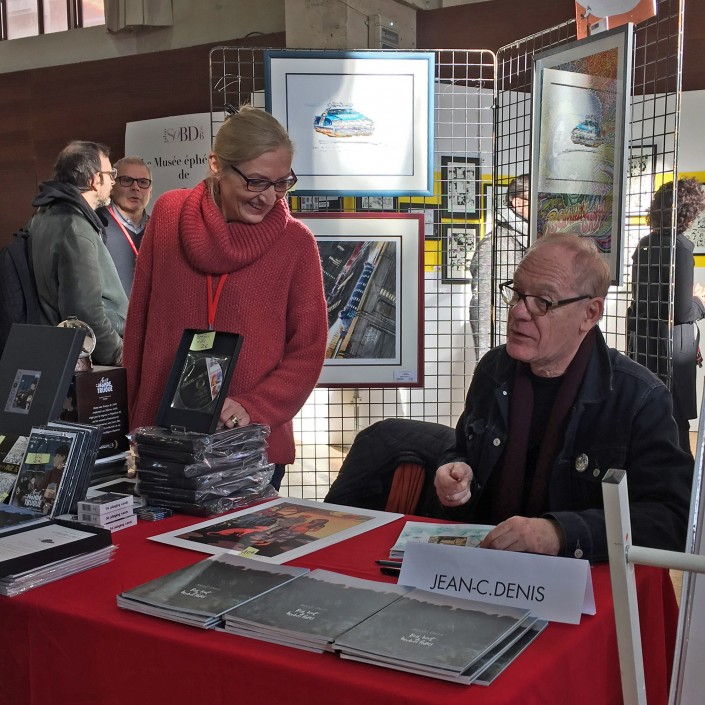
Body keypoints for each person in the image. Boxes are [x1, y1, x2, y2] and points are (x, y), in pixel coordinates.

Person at [433, 232, 692, 563]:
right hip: (487, 570)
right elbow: (461, 449)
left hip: (584, 589)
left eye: (543, 301)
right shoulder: (494, 370)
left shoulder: (638, 398)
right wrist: (454, 471)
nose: (519, 313)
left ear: (590, 313)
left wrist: (561, 534)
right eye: (517, 293)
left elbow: (673, 519)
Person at [123, 105, 328, 490]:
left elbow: (308, 351)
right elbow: (139, 326)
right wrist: (132, 427)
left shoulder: (296, 245)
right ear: (216, 164)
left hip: (248, 447)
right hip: (163, 442)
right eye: (256, 181)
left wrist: (253, 407)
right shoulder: (169, 215)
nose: (268, 196)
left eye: (282, 183)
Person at [30, 140, 128, 365]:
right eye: (110, 173)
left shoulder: (43, 215)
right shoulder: (76, 229)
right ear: (94, 180)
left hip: (57, 352)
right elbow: (84, 314)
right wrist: (119, 353)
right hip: (89, 362)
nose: (113, 180)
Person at [627, 178, 705, 454]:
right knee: (677, 425)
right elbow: (683, 311)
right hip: (672, 349)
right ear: (689, 213)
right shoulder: (681, 249)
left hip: (646, 345)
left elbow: (641, 299)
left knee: (649, 413)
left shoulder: (645, 244)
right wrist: (700, 301)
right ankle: (682, 489)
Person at [469, 174, 529, 360]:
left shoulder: (533, 240)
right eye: (538, 199)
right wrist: (488, 360)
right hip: (506, 353)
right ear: (518, 203)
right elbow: (483, 305)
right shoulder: (494, 245)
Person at [97, 156, 153, 295]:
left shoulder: (158, 228)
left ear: (150, 191)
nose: (136, 188)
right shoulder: (96, 223)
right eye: (127, 180)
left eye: (143, 182)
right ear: (112, 186)